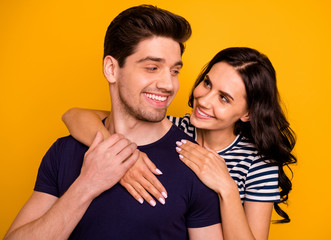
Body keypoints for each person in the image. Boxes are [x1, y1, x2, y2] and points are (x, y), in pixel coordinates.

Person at [4, 5, 223, 240]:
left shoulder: (194, 162)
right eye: (152, 68)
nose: (169, 85)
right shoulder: (64, 151)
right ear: (111, 69)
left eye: (174, 71)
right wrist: (88, 184)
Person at [63, 47, 297, 240]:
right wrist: (125, 158)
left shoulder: (258, 163)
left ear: (247, 113)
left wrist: (226, 187)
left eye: (223, 98)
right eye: (207, 83)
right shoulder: (169, 128)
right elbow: (74, 116)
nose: (204, 100)